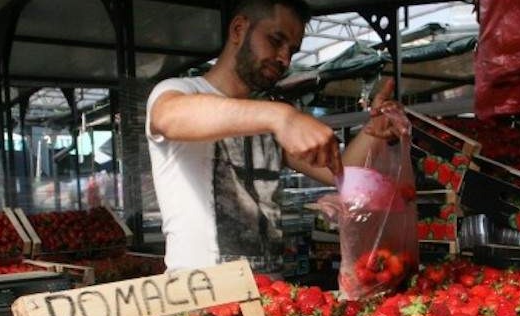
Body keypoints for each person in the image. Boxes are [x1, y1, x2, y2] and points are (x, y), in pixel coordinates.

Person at [146, 0, 401, 273]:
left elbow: (341, 173)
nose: (284, 59)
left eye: (291, 50)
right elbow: (166, 117)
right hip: (202, 301)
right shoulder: (181, 91)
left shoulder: (269, 116)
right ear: (238, 29)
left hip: (269, 296)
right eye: (275, 40)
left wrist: (372, 131)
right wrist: (282, 117)